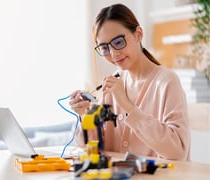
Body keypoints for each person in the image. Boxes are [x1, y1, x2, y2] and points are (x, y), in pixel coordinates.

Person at [69, 3, 190, 160]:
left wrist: (127, 105)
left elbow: (177, 151)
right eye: (104, 48)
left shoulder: (167, 82)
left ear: (138, 34)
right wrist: (85, 115)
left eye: (118, 42)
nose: (113, 54)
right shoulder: (113, 84)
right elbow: (89, 148)